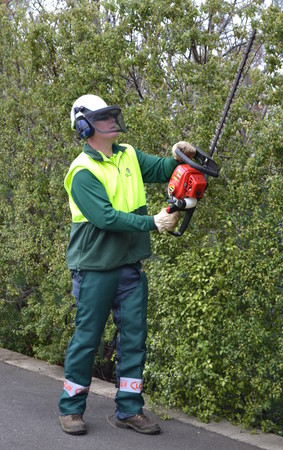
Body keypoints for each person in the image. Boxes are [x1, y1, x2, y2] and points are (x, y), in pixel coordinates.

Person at [58, 94, 196, 436]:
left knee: (134, 338)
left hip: (130, 266)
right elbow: (105, 218)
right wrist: (154, 222)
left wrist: (181, 159)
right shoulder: (82, 171)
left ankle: (129, 410)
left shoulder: (129, 155)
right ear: (84, 126)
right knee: (87, 340)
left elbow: (162, 169)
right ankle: (71, 410)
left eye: (111, 115)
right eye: (102, 117)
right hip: (95, 268)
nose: (111, 121)